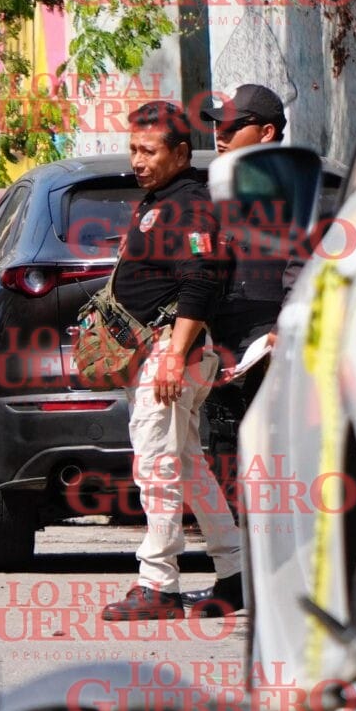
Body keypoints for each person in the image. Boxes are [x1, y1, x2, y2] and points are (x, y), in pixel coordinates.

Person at [99, 100, 245, 622]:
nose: (138, 161)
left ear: (181, 154)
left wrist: (174, 357)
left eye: (149, 151)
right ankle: (235, 572)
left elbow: (200, 280)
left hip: (171, 351)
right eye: (133, 150)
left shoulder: (189, 206)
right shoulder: (162, 199)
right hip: (164, 351)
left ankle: (158, 585)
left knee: (156, 466)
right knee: (186, 465)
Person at [196, 82, 293, 356]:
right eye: (218, 126)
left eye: (231, 127)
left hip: (268, 344)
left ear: (266, 132)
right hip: (216, 343)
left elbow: (307, 271)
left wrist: (283, 329)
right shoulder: (212, 192)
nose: (220, 135)